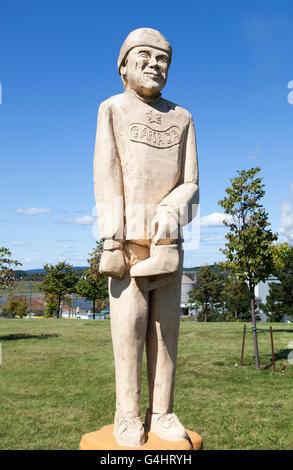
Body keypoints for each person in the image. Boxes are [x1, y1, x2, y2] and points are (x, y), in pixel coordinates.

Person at [94, 28, 199, 447]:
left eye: (163, 59)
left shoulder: (184, 117)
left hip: (168, 250)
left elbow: (191, 182)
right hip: (128, 249)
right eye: (146, 56)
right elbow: (107, 176)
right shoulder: (113, 109)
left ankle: (163, 412)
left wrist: (172, 212)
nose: (155, 65)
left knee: (165, 335)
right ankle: (128, 415)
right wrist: (111, 240)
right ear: (123, 65)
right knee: (128, 334)